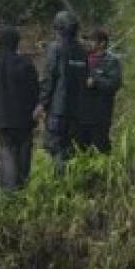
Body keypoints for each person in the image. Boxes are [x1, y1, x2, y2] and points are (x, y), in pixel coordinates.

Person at [0, 24, 40, 191]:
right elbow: (34, 90)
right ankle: (23, 188)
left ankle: (10, 192)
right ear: (16, 42)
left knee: (6, 154)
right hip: (24, 119)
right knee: (23, 154)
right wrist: (34, 112)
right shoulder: (26, 63)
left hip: (0, 119)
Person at [38, 9, 88, 171]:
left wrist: (42, 103)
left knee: (56, 147)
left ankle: (60, 186)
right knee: (71, 149)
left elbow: (49, 77)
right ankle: (71, 184)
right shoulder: (82, 51)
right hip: (78, 110)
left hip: (58, 109)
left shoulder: (56, 48)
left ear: (59, 29)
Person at [74, 28, 123, 153]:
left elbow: (114, 84)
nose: (88, 43)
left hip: (100, 114)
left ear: (102, 43)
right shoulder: (82, 59)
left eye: (92, 40)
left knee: (101, 146)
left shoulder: (111, 61)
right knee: (80, 149)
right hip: (81, 113)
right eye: (87, 40)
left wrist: (96, 82)